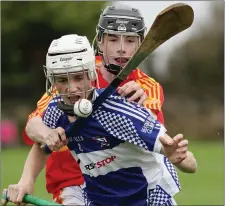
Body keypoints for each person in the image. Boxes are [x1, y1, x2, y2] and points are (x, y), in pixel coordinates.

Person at [5, 34, 197, 206]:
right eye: (62, 80)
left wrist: (176, 158)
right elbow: (41, 146)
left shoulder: (121, 112)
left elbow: (189, 162)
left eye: (78, 77)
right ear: (52, 81)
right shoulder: (56, 111)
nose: (71, 89)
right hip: (100, 198)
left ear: (91, 74)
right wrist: (26, 181)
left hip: (148, 196)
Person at [22, 5, 167, 205]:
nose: (122, 48)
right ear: (100, 41)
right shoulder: (76, 73)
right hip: (71, 181)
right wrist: (48, 134)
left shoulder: (147, 87)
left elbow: (150, 135)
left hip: (119, 184)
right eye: (113, 39)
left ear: (141, 45)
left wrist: (140, 107)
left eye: (130, 40)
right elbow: (34, 124)